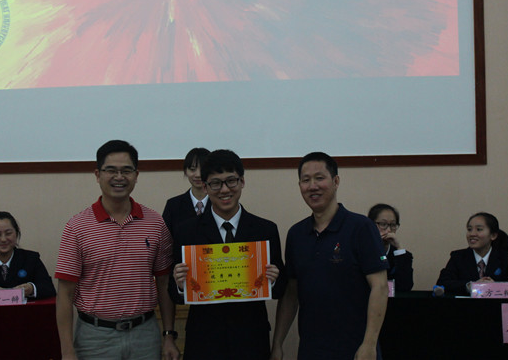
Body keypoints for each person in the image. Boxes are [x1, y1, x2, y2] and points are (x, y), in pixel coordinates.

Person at [54, 140, 179, 360]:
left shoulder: (155, 223)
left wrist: (168, 335)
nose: (119, 177)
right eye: (111, 170)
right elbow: (65, 294)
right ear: (97, 174)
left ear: (136, 175)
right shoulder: (77, 227)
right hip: (95, 338)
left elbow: (163, 282)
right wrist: (67, 351)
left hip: (145, 335)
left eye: (126, 170)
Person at [270, 152, 388, 360]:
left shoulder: (361, 227)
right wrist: (277, 344)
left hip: (356, 350)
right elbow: (291, 293)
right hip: (311, 350)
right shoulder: (296, 234)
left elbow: (379, 286)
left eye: (319, 178)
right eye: (306, 180)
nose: (312, 186)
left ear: (336, 181)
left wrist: (369, 344)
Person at [171, 149, 286, 360]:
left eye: (231, 181)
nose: (225, 190)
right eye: (216, 183)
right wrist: (180, 284)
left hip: (251, 341)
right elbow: (173, 293)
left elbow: (280, 289)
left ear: (242, 182)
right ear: (205, 187)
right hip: (204, 342)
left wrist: (274, 279)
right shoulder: (186, 232)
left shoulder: (265, 230)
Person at [436, 212, 508, 296]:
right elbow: (442, 283)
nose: (472, 234)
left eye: (479, 229)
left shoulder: (505, 257)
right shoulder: (458, 257)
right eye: (469, 229)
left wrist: (497, 287)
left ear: (493, 235)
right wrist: (470, 286)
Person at [162, 147, 211, 236]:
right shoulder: (173, 205)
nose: (198, 175)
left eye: (203, 169)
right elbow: (165, 239)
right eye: (192, 169)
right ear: (185, 171)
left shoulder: (220, 203)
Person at [367, 203, 413, 292]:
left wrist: (399, 248)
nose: (388, 230)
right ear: (371, 225)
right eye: (383, 224)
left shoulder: (402, 255)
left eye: (393, 225)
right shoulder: (361, 252)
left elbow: (405, 287)